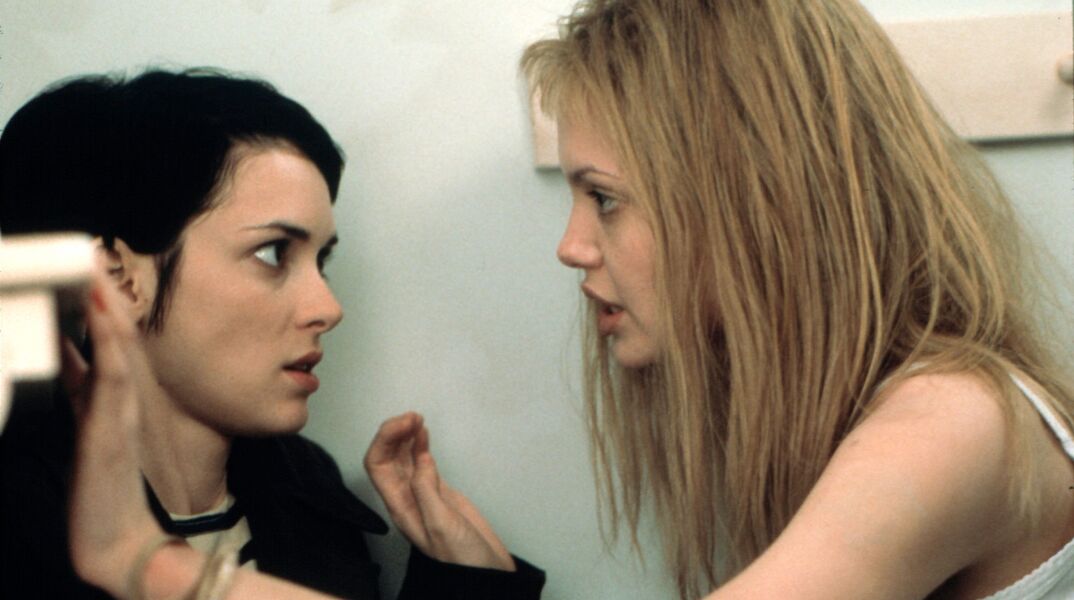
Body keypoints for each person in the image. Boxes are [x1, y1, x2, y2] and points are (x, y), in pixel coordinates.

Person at [50, 0, 1074, 598]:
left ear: (755, 198)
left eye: (606, 198)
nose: (572, 244)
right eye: (274, 253)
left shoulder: (951, 422)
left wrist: (155, 568)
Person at [0, 69, 544, 599]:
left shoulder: (310, 493)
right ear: (117, 279)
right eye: (273, 253)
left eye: (321, 261)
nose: (328, 308)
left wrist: (470, 582)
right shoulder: (23, 532)